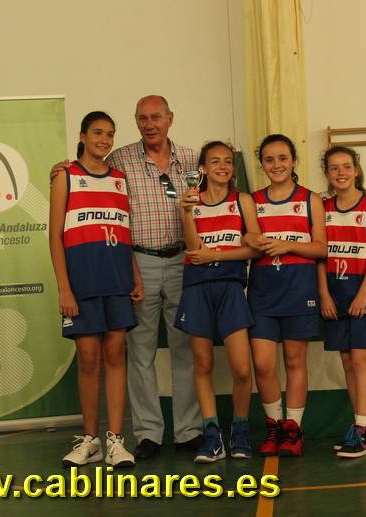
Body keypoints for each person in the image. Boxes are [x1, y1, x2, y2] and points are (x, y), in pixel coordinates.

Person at [51, 95, 203, 459]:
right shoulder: (120, 160)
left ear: (170, 118)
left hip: (182, 260)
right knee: (138, 354)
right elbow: (83, 173)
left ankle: (188, 432)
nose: (150, 124)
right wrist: (59, 171)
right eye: (142, 118)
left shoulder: (192, 159)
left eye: (156, 117)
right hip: (138, 261)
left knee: (185, 349)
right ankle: (148, 434)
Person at [49, 111, 143, 468]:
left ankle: (116, 441)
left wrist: (135, 275)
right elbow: (55, 236)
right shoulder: (66, 176)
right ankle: (90, 441)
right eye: (98, 133)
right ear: (83, 136)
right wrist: (64, 289)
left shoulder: (119, 179)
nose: (104, 140)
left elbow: (123, 230)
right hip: (82, 282)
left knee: (116, 354)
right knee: (89, 358)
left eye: (110, 134)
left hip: (116, 280)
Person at [175, 141, 261, 463]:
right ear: (203, 168)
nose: (223, 166)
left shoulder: (242, 200)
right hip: (197, 287)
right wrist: (186, 212)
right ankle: (212, 437)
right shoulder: (190, 201)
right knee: (203, 365)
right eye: (215, 161)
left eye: (227, 161)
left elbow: (254, 248)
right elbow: (192, 248)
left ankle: (240, 432)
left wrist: (215, 255)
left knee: (242, 369)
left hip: (230, 287)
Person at [244, 134, 327, 457]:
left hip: (299, 290)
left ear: (293, 161)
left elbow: (321, 248)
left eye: (282, 158)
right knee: (263, 364)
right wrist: (251, 239)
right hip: (263, 292)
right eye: (269, 159)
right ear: (261, 164)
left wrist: (287, 245)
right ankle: (274, 425)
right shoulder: (252, 201)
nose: (276, 164)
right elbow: (244, 239)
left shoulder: (310, 199)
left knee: (294, 361)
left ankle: (292, 428)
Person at [317, 146, 366, 458]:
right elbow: (320, 254)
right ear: (327, 174)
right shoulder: (323, 207)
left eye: (346, 166)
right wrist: (324, 293)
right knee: (346, 362)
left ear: (356, 170)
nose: (341, 172)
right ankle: (363, 426)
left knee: (360, 361)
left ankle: (362, 427)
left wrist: (363, 294)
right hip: (335, 294)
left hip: (362, 293)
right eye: (334, 168)